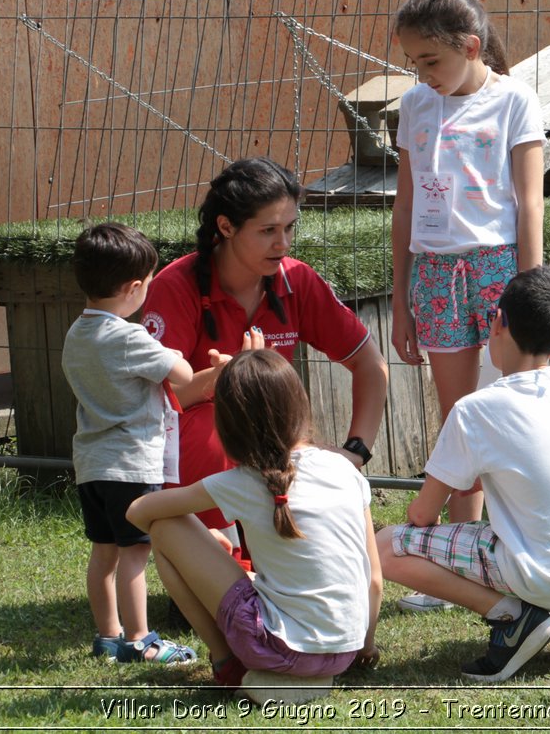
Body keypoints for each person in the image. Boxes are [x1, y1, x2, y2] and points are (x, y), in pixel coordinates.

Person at [377, 266, 550, 682]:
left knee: (387, 546)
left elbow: (424, 515)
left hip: (543, 576)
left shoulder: (475, 410)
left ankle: (514, 618)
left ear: (496, 321)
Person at [142, 157, 389, 565]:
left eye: (289, 227)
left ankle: (292, 561)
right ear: (225, 227)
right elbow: (152, 402)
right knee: (212, 433)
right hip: (195, 441)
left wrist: (354, 452)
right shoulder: (176, 286)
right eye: (268, 230)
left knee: (307, 456)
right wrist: (223, 379)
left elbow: (371, 364)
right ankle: (224, 567)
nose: (284, 243)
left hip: (274, 440)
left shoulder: (298, 280)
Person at [389, 0, 545, 610]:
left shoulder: (515, 101)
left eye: (431, 61)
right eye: (414, 64)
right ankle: (455, 558)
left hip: (500, 269)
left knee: (514, 411)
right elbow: (403, 205)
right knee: (460, 420)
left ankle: (525, 543)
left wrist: (528, 294)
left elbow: (529, 201)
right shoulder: (415, 106)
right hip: (434, 273)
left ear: (471, 46)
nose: (423, 75)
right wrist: (401, 299)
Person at [127, 349, 383, 704]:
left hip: (278, 647)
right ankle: (307, 674)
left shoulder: (242, 480)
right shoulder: (344, 469)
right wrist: (364, 648)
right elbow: (374, 581)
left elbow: (139, 512)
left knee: (164, 528)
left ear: (227, 424)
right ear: (300, 405)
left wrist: (203, 539)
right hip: (344, 650)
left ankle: (227, 663)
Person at [61, 222, 199, 665]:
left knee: (103, 553)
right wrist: (175, 356)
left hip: (91, 464)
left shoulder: (76, 335)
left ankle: (107, 636)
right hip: (131, 466)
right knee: (136, 554)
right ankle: (141, 640)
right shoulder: (129, 336)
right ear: (135, 287)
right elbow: (184, 377)